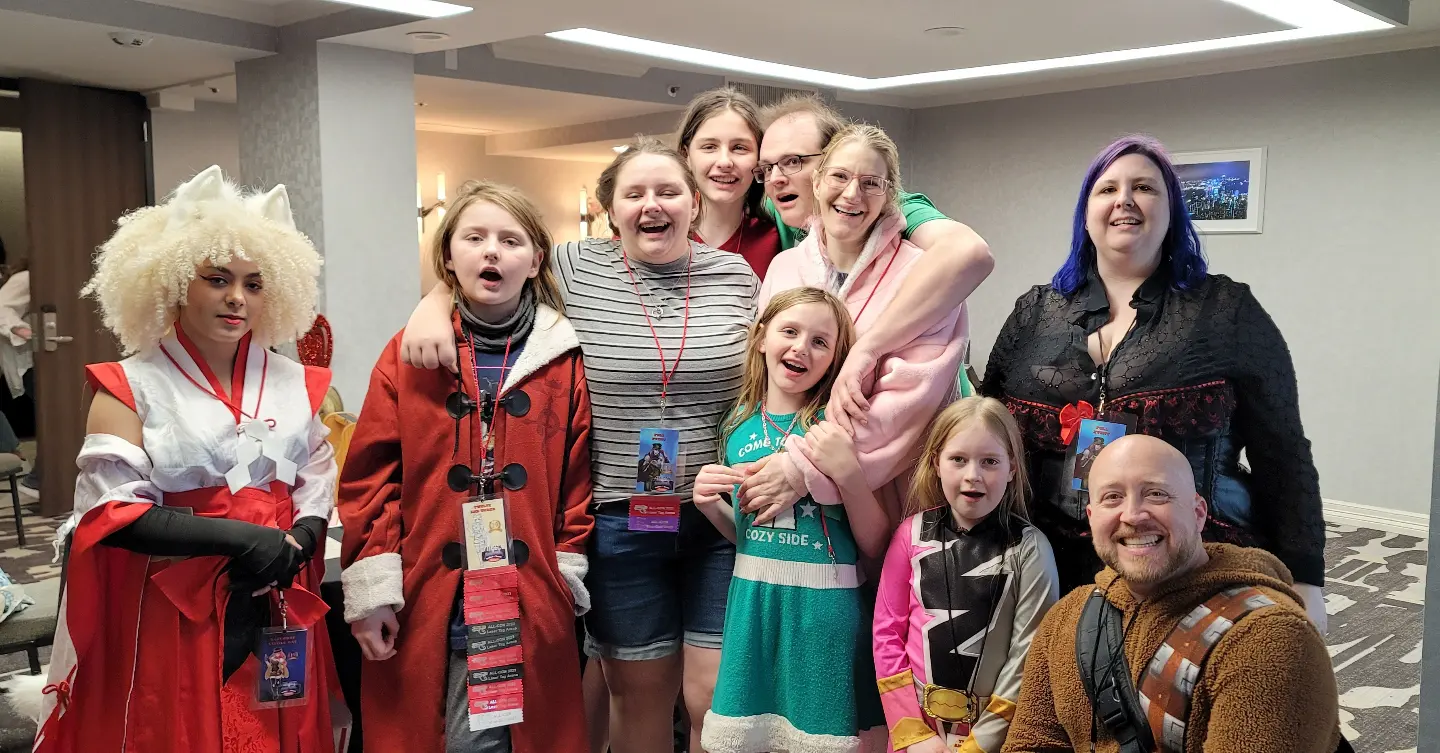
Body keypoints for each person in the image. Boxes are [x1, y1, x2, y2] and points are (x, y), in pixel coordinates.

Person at [33, 165, 341, 752]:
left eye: (254, 284)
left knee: (282, 719)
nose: (237, 298)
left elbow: (316, 472)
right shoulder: (128, 384)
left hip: (279, 585)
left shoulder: (296, 382)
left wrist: (302, 533)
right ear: (174, 280)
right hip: (174, 600)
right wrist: (239, 539)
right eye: (217, 279)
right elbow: (110, 510)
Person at [979, 134, 1327, 631]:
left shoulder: (1226, 310)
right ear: (1085, 214)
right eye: (1107, 189)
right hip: (1047, 564)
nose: (1124, 199)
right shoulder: (1035, 311)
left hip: (1191, 562)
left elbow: (1284, 452)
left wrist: (1307, 578)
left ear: (1172, 211)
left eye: (1144, 187)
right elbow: (989, 430)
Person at [338, 181, 595, 752]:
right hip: (428, 590)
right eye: (474, 238)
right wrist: (374, 588)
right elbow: (371, 478)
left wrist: (564, 572)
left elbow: (577, 480)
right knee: (451, 736)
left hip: (527, 591)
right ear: (449, 257)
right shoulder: (408, 353)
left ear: (536, 261)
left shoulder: (563, 358)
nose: (492, 251)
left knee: (512, 736)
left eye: (511, 240)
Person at [1002, 435, 1341, 753]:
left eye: (1156, 494)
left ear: (1198, 513)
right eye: (1112, 497)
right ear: (1092, 518)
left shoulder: (1271, 639)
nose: (1133, 515)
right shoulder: (1067, 617)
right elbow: (1031, 742)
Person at [743, 123, 967, 531]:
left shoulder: (923, 275)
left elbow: (907, 402)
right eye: (840, 176)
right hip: (777, 484)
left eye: (870, 183)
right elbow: (765, 379)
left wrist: (801, 468)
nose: (851, 194)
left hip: (885, 490)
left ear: (889, 195)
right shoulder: (785, 268)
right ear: (817, 181)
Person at [696, 287, 888, 752]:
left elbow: (875, 543)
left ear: (835, 358)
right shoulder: (736, 425)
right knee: (745, 738)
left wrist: (848, 475)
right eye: (790, 331)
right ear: (761, 338)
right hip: (752, 605)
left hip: (824, 611)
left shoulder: (834, 428)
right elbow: (750, 537)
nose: (802, 347)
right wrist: (709, 506)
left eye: (820, 342)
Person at [752, 94, 993, 434]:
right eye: (768, 167)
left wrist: (867, 349)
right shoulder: (783, 239)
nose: (776, 178)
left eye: (793, 161)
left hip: (897, 438)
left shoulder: (897, 215)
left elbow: (970, 252)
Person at [873, 397, 1058, 753]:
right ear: (936, 463)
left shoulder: (1030, 549)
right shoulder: (909, 536)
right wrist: (912, 732)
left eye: (990, 461)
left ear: (1012, 468)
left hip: (997, 737)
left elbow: (1030, 653)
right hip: (917, 734)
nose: (973, 475)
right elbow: (887, 634)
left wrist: (982, 743)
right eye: (958, 459)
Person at [676, 88, 782, 278]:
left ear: (760, 159)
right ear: (686, 156)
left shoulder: (777, 240)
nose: (725, 162)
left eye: (739, 148)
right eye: (710, 147)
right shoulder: (660, 234)